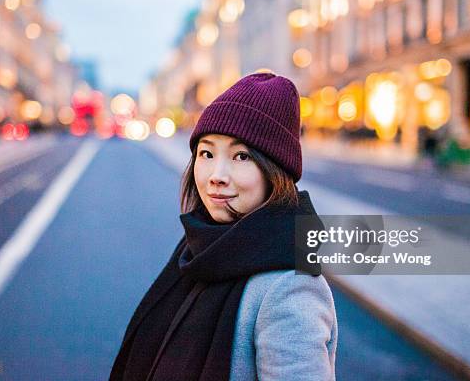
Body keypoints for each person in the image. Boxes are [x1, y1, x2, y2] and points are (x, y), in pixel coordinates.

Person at [110, 73, 338, 380]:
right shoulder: (197, 250)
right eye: (206, 153)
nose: (216, 175)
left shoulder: (288, 287)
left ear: (276, 171)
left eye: (241, 156)